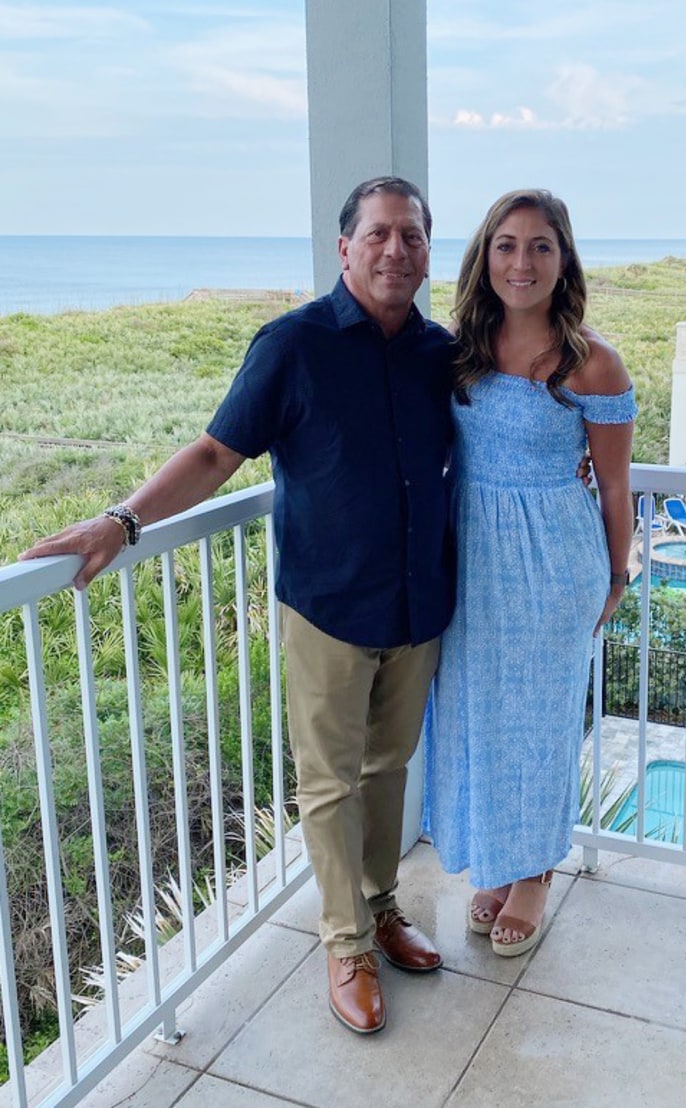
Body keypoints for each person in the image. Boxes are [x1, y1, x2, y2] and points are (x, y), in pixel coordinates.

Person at [20, 177, 456, 1036]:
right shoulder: (292, 346)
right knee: (330, 784)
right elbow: (218, 450)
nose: (395, 249)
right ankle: (345, 945)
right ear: (345, 247)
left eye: (411, 235)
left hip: (418, 602)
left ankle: (378, 905)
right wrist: (122, 519)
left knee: (389, 769)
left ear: (427, 247)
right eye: (378, 234)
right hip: (328, 605)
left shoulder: (439, 351)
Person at [423, 188, 636, 958]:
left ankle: (535, 873)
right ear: (486, 256)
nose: (523, 261)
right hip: (472, 559)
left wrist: (615, 578)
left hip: (554, 562)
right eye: (507, 245)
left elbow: (614, 486)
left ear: (564, 259)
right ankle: (500, 855)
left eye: (541, 246)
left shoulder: (592, 363)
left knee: (541, 723)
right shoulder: (460, 351)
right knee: (480, 713)